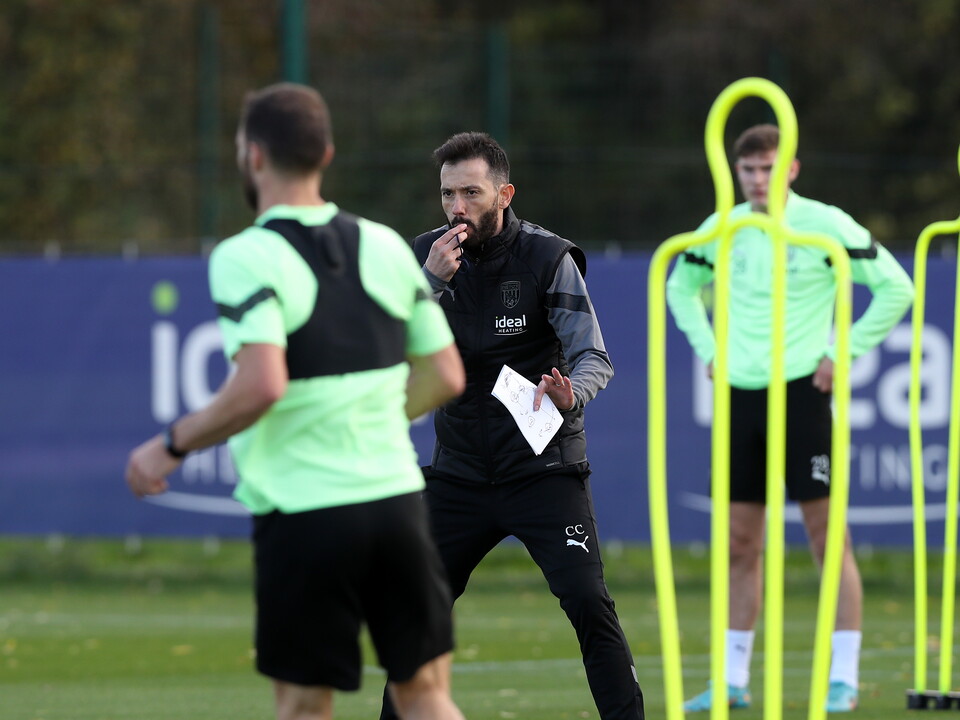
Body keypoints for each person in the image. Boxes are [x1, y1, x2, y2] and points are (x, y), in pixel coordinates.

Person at [125, 82, 468, 720]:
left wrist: (170, 445)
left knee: (305, 708)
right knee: (426, 697)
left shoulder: (245, 254)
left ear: (253, 156)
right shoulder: (386, 244)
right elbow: (446, 374)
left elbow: (261, 383)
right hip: (396, 504)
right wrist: (369, 416)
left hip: (308, 513)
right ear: (327, 154)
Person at [379, 132, 645, 720]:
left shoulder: (548, 260)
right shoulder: (425, 259)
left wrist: (570, 394)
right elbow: (385, 351)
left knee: (587, 602)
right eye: (447, 194)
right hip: (460, 475)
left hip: (543, 470)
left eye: (471, 192)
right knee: (417, 611)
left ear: (504, 195)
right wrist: (430, 286)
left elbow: (595, 359)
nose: (456, 207)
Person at [667, 124, 914, 714]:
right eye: (748, 170)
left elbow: (896, 289)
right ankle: (731, 680)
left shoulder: (825, 223)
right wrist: (710, 349)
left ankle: (844, 678)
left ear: (792, 169)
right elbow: (679, 287)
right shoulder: (722, 228)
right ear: (737, 172)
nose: (758, 180)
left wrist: (841, 353)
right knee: (739, 544)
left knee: (829, 539)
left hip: (802, 392)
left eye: (768, 168)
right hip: (739, 396)